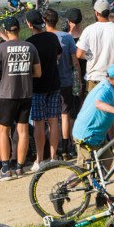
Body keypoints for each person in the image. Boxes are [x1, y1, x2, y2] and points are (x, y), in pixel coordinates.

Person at [0, 18, 40, 180]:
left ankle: (5, 168)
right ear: (19, 29)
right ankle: (19, 167)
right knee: (23, 131)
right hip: (26, 94)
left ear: (5, 30)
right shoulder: (30, 47)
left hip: (7, 95)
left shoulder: (2, 48)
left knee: (2, 130)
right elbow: (38, 73)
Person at [24, 9, 62, 168]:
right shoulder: (53, 37)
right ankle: (54, 157)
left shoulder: (29, 43)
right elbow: (58, 56)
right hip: (54, 83)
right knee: (53, 120)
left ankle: (39, 159)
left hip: (38, 87)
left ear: (29, 24)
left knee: (38, 122)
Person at [71, 64, 114, 153]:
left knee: (108, 161)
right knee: (86, 167)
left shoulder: (112, 88)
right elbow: (98, 104)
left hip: (98, 137)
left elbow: (109, 114)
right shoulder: (105, 89)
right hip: (86, 136)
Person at [45, 9, 81, 160]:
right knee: (65, 115)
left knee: (51, 116)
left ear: (45, 21)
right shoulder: (67, 37)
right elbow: (75, 61)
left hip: (50, 83)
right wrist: (78, 79)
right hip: (66, 81)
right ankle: (66, 148)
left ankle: (55, 149)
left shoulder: (43, 38)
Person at [76, 0, 114, 101]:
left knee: (96, 114)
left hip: (94, 78)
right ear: (109, 11)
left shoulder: (89, 29)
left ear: (96, 13)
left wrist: (91, 55)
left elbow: (79, 54)